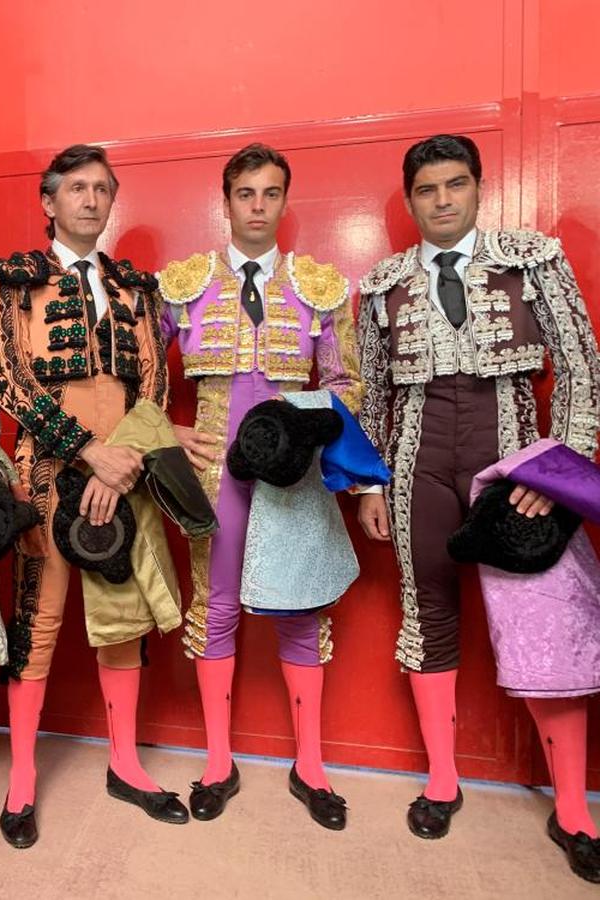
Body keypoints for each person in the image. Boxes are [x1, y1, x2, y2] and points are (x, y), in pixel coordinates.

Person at [356, 134, 600, 872]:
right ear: (410, 200)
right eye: (427, 190)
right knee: (426, 612)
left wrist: (556, 474)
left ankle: (571, 809)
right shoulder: (380, 284)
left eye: (455, 185)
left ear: (477, 187)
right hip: (416, 469)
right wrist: (368, 482)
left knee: (543, 628)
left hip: (517, 471)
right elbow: (371, 393)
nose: (442, 201)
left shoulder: (534, 260)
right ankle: (441, 778)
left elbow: (583, 369)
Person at [0, 144, 188, 850]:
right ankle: (21, 778)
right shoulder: (13, 281)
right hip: (48, 474)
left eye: (103, 188)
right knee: (36, 624)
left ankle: (125, 764)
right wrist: (90, 451)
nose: (91, 199)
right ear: (49, 201)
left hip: (124, 473)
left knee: (123, 619)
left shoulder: (138, 289)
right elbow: (7, 378)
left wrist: (120, 461)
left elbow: (155, 386)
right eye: (76, 188)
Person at [156, 143, 362, 830]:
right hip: (214, 474)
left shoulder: (318, 286)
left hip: (292, 477)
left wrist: (310, 432)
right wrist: (164, 428)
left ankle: (310, 766)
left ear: (284, 200)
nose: (257, 206)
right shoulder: (183, 283)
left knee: (301, 611)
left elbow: (345, 382)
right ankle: (218, 762)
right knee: (213, 609)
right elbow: (139, 379)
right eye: (246, 193)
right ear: (227, 199)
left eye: (271, 193)